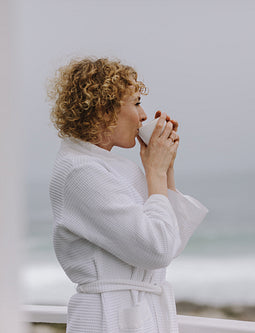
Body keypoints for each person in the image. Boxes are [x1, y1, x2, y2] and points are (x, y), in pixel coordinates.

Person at [48, 57, 207, 333]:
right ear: (103, 110)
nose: (143, 115)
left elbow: (170, 243)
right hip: (106, 318)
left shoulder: (112, 167)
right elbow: (155, 250)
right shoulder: (79, 173)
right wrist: (154, 172)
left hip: (139, 313)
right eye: (135, 103)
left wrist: (164, 168)